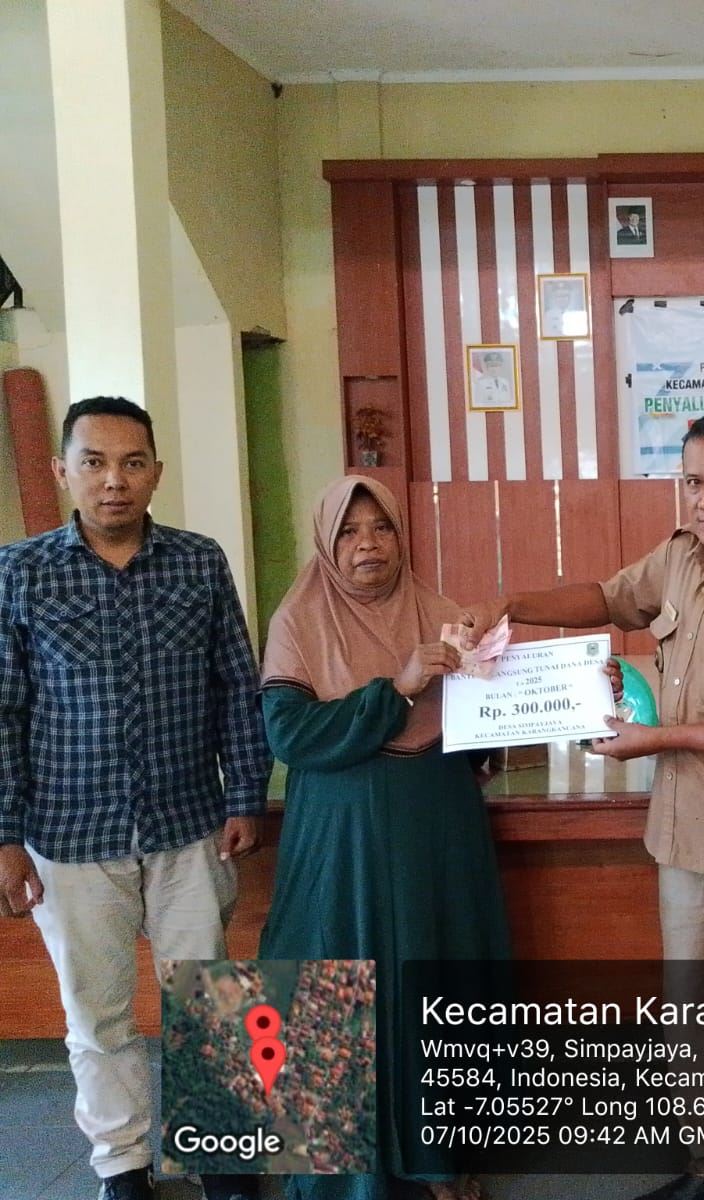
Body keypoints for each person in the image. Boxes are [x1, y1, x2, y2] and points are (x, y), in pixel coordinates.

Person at [461, 411, 704, 1200]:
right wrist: (512, 602)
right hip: (681, 837)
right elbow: (607, 597)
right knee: (693, 1023)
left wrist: (657, 738)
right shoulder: (677, 558)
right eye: (693, 481)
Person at [0, 396, 271, 1200]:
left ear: (156, 472)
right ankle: (121, 1165)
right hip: (68, 834)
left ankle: (224, 1152)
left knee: (211, 997)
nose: (113, 480)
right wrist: (5, 834)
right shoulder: (19, 572)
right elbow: (4, 710)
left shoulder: (198, 562)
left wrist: (245, 794)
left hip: (188, 824)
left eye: (132, 463)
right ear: (63, 471)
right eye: (94, 462)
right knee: (97, 1015)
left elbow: (236, 685)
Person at [256, 476, 512, 1200]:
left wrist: (524, 703)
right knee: (340, 980)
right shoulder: (299, 619)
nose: (367, 545)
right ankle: (342, 1173)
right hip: (343, 841)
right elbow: (290, 734)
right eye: (349, 531)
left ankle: (441, 1160)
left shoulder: (443, 614)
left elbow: (479, 728)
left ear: (402, 536)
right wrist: (396, 687)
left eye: (381, 528)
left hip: (436, 830)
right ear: (326, 542)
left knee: (438, 980)